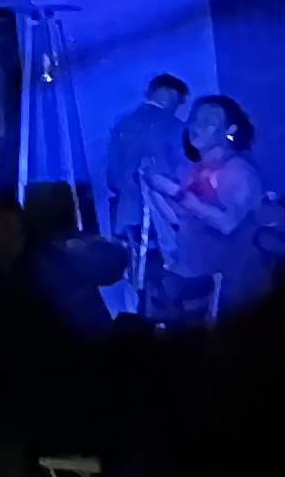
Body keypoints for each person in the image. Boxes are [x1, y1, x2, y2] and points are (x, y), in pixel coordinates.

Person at [146, 91, 276, 321]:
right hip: (197, 281)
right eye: (195, 119)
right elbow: (180, 221)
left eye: (209, 122)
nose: (197, 127)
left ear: (230, 130)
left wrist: (175, 192)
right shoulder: (197, 170)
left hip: (229, 287)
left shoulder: (238, 170)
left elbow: (227, 223)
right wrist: (155, 189)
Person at [99, 73, 191, 243]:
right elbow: (186, 172)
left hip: (125, 215)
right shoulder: (175, 127)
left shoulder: (122, 124)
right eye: (180, 101)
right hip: (164, 216)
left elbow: (112, 177)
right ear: (173, 95)